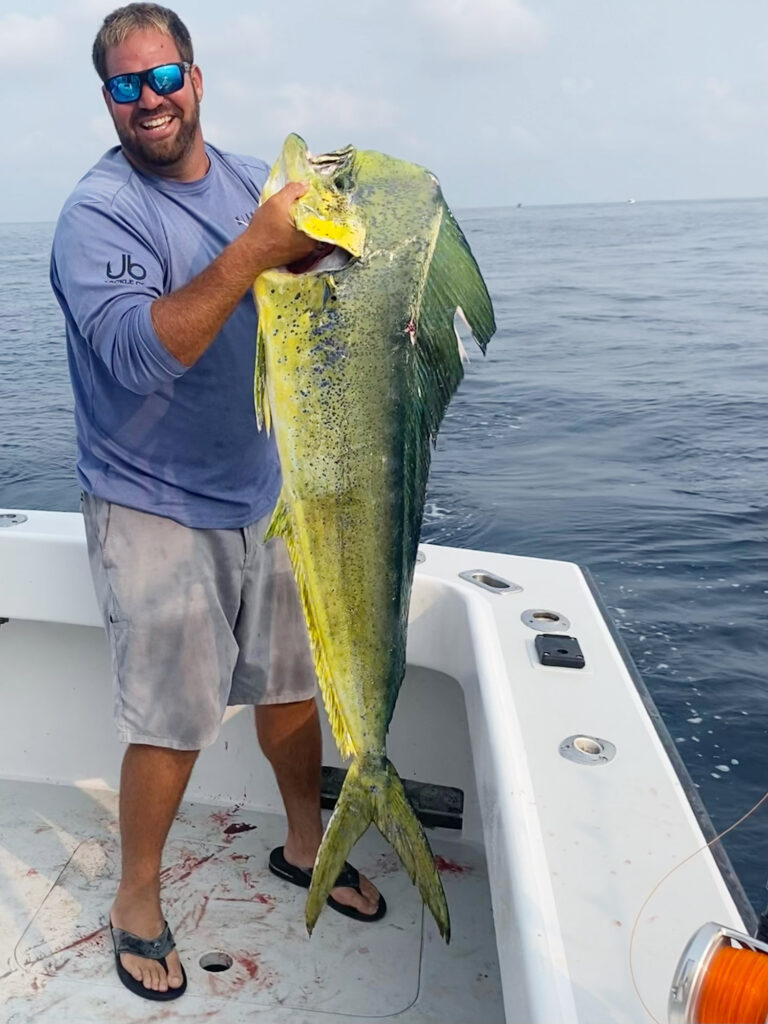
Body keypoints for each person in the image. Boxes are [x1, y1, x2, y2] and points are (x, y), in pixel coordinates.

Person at [50, 2, 384, 1002]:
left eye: (164, 78)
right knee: (173, 714)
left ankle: (302, 842)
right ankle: (137, 903)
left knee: (290, 683)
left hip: (265, 486)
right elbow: (148, 350)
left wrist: (349, 236)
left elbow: (324, 272)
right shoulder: (96, 215)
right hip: (150, 500)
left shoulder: (249, 179)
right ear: (105, 99)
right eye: (126, 85)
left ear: (196, 78)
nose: (150, 100)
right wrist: (255, 246)